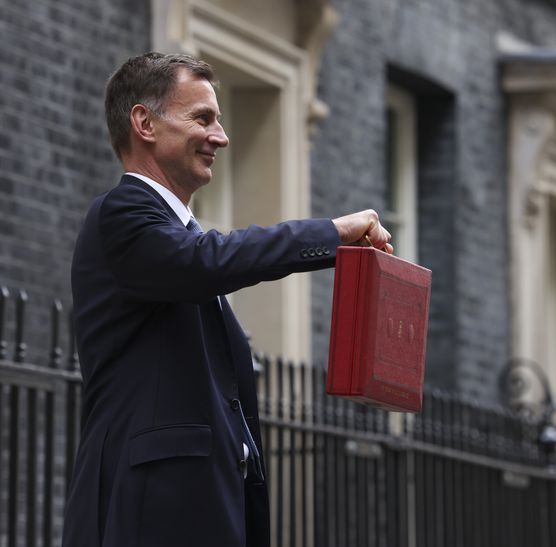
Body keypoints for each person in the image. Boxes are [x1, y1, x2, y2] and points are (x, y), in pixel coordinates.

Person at [62, 52, 391, 547]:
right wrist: (333, 234)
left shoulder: (175, 237)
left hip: (203, 510)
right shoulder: (122, 214)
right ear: (144, 123)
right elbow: (208, 261)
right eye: (203, 118)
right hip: (152, 512)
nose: (221, 136)